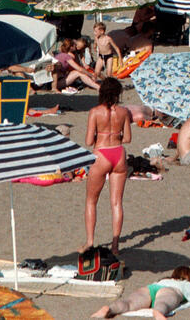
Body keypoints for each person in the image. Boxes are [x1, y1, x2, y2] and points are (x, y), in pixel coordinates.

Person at [83, 78, 131, 255]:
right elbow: (127, 138)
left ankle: (90, 242)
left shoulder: (95, 112)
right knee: (116, 202)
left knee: (91, 200)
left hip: (101, 153)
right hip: (118, 153)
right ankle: (116, 244)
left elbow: (88, 141)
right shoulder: (123, 112)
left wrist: (99, 138)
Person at [91, 266, 190, 320]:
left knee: (128, 303)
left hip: (151, 288)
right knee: (163, 302)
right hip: (170, 292)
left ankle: (110, 309)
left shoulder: (164, 280)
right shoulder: (186, 285)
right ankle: (158, 312)